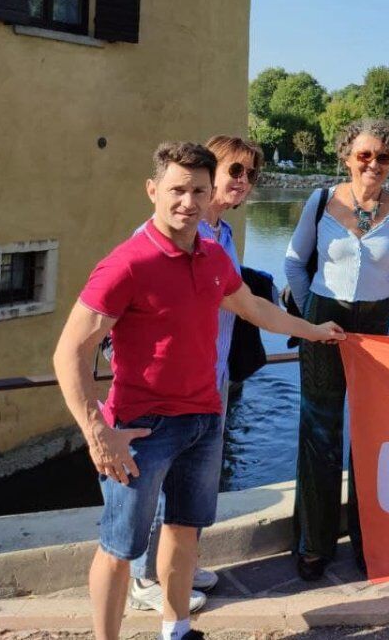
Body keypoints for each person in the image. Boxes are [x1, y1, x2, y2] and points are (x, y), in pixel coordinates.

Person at [52, 142, 344, 640]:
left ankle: (177, 629)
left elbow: (253, 308)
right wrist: (97, 432)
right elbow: (69, 353)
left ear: (210, 194)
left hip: (205, 418)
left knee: (185, 531)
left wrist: (313, 330)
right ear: (153, 191)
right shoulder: (127, 263)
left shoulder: (211, 253)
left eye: (198, 191)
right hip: (142, 428)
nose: (188, 201)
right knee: (119, 548)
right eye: (177, 190)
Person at [128, 136, 264, 612]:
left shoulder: (222, 235)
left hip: (214, 374)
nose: (242, 182)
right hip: (169, 384)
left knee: (194, 480)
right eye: (234, 171)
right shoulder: (181, 232)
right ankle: (144, 577)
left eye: (250, 175)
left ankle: (181, 565)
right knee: (154, 475)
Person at [285, 119, 389, 579]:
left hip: (378, 325)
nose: (373, 164)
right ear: (347, 156)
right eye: (365, 155)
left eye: (383, 157)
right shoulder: (320, 201)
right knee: (319, 431)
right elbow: (294, 261)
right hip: (324, 318)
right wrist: (308, 317)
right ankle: (314, 543)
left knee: (372, 434)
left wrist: (372, 302)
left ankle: (369, 538)